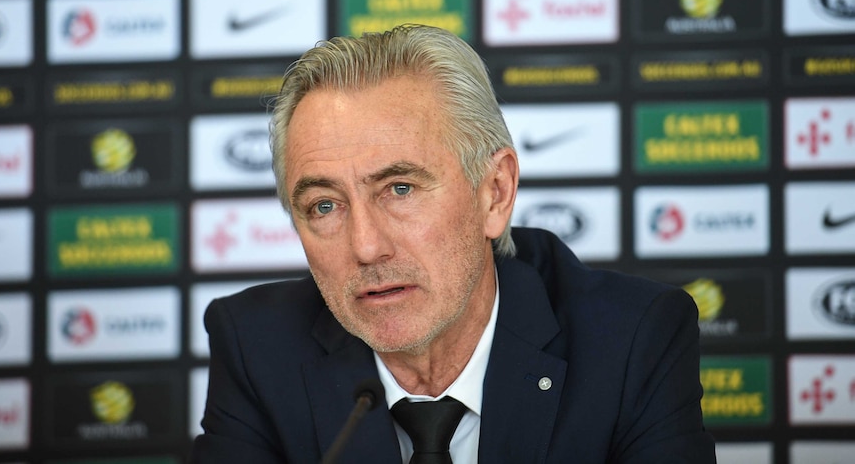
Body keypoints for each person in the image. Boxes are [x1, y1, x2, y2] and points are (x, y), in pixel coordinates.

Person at [189, 24, 716, 463]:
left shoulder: (632, 340)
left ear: (495, 193)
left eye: (400, 189)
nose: (367, 247)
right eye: (324, 205)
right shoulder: (256, 346)